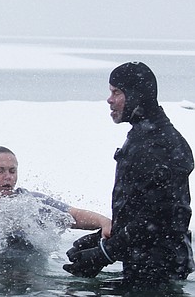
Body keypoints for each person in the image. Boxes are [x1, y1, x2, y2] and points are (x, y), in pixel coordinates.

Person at [64, 62, 193, 284]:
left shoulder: (159, 145)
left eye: (117, 92)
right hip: (145, 267)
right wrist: (101, 239)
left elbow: (158, 219)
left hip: (160, 273)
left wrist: (105, 253)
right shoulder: (142, 136)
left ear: (137, 96)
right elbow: (139, 210)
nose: (109, 99)